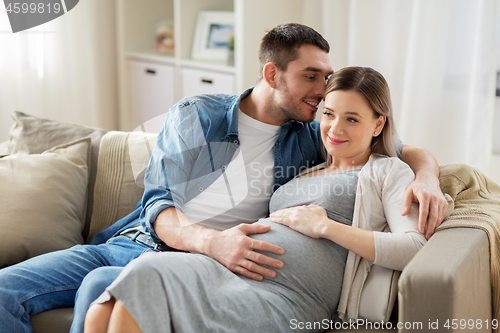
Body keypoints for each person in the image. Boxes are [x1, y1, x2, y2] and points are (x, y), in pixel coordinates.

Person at [0, 24, 446, 333]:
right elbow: (159, 207)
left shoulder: (315, 133)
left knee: (102, 292)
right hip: (136, 243)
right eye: (311, 77)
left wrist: (425, 176)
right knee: (5, 290)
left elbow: (391, 146)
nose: (321, 91)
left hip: (216, 270)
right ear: (272, 74)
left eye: (326, 77)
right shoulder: (197, 116)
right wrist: (214, 242)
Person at [83, 66, 427, 333]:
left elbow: (413, 248)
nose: (335, 129)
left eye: (352, 119)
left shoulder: (387, 171)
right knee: (104, 294)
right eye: (329, 114)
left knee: (142, 277)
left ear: (378, 124)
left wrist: (326, 227)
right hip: (230, 272)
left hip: (287, 297)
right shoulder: (308, 164)